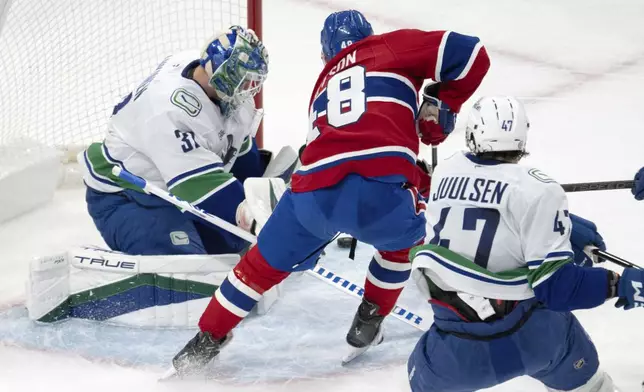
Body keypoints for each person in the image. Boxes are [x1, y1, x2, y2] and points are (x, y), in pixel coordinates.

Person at [169, 10, 490, 375]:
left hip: (313, 192)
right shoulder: (392, 45)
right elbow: (473, 54)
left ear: (325, 56)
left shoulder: (323, 83)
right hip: (380, 193)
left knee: (257, 266)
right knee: (403, 244)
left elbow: (333, 152)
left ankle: (203, 343)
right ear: (369, 35)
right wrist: (443, 102)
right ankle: (370, 316)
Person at [407, 96, 644, 392]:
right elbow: (557, 288)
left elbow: (485, 211)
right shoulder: (540, 190)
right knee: (590, 384)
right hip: (536, 340)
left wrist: (561, 226)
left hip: (454, 357)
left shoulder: (444, 173)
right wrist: (619, 284)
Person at [79, 26, 289, 257]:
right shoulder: (168, 112)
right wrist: (262, 224)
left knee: (231, 245)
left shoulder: (218, 84)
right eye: (244, 81)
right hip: (126, 194)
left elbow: (239, 150)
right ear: (222, 76)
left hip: (172, 184)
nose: (250, 90)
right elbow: (199, 186)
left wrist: (259, 199)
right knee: (187, 271)